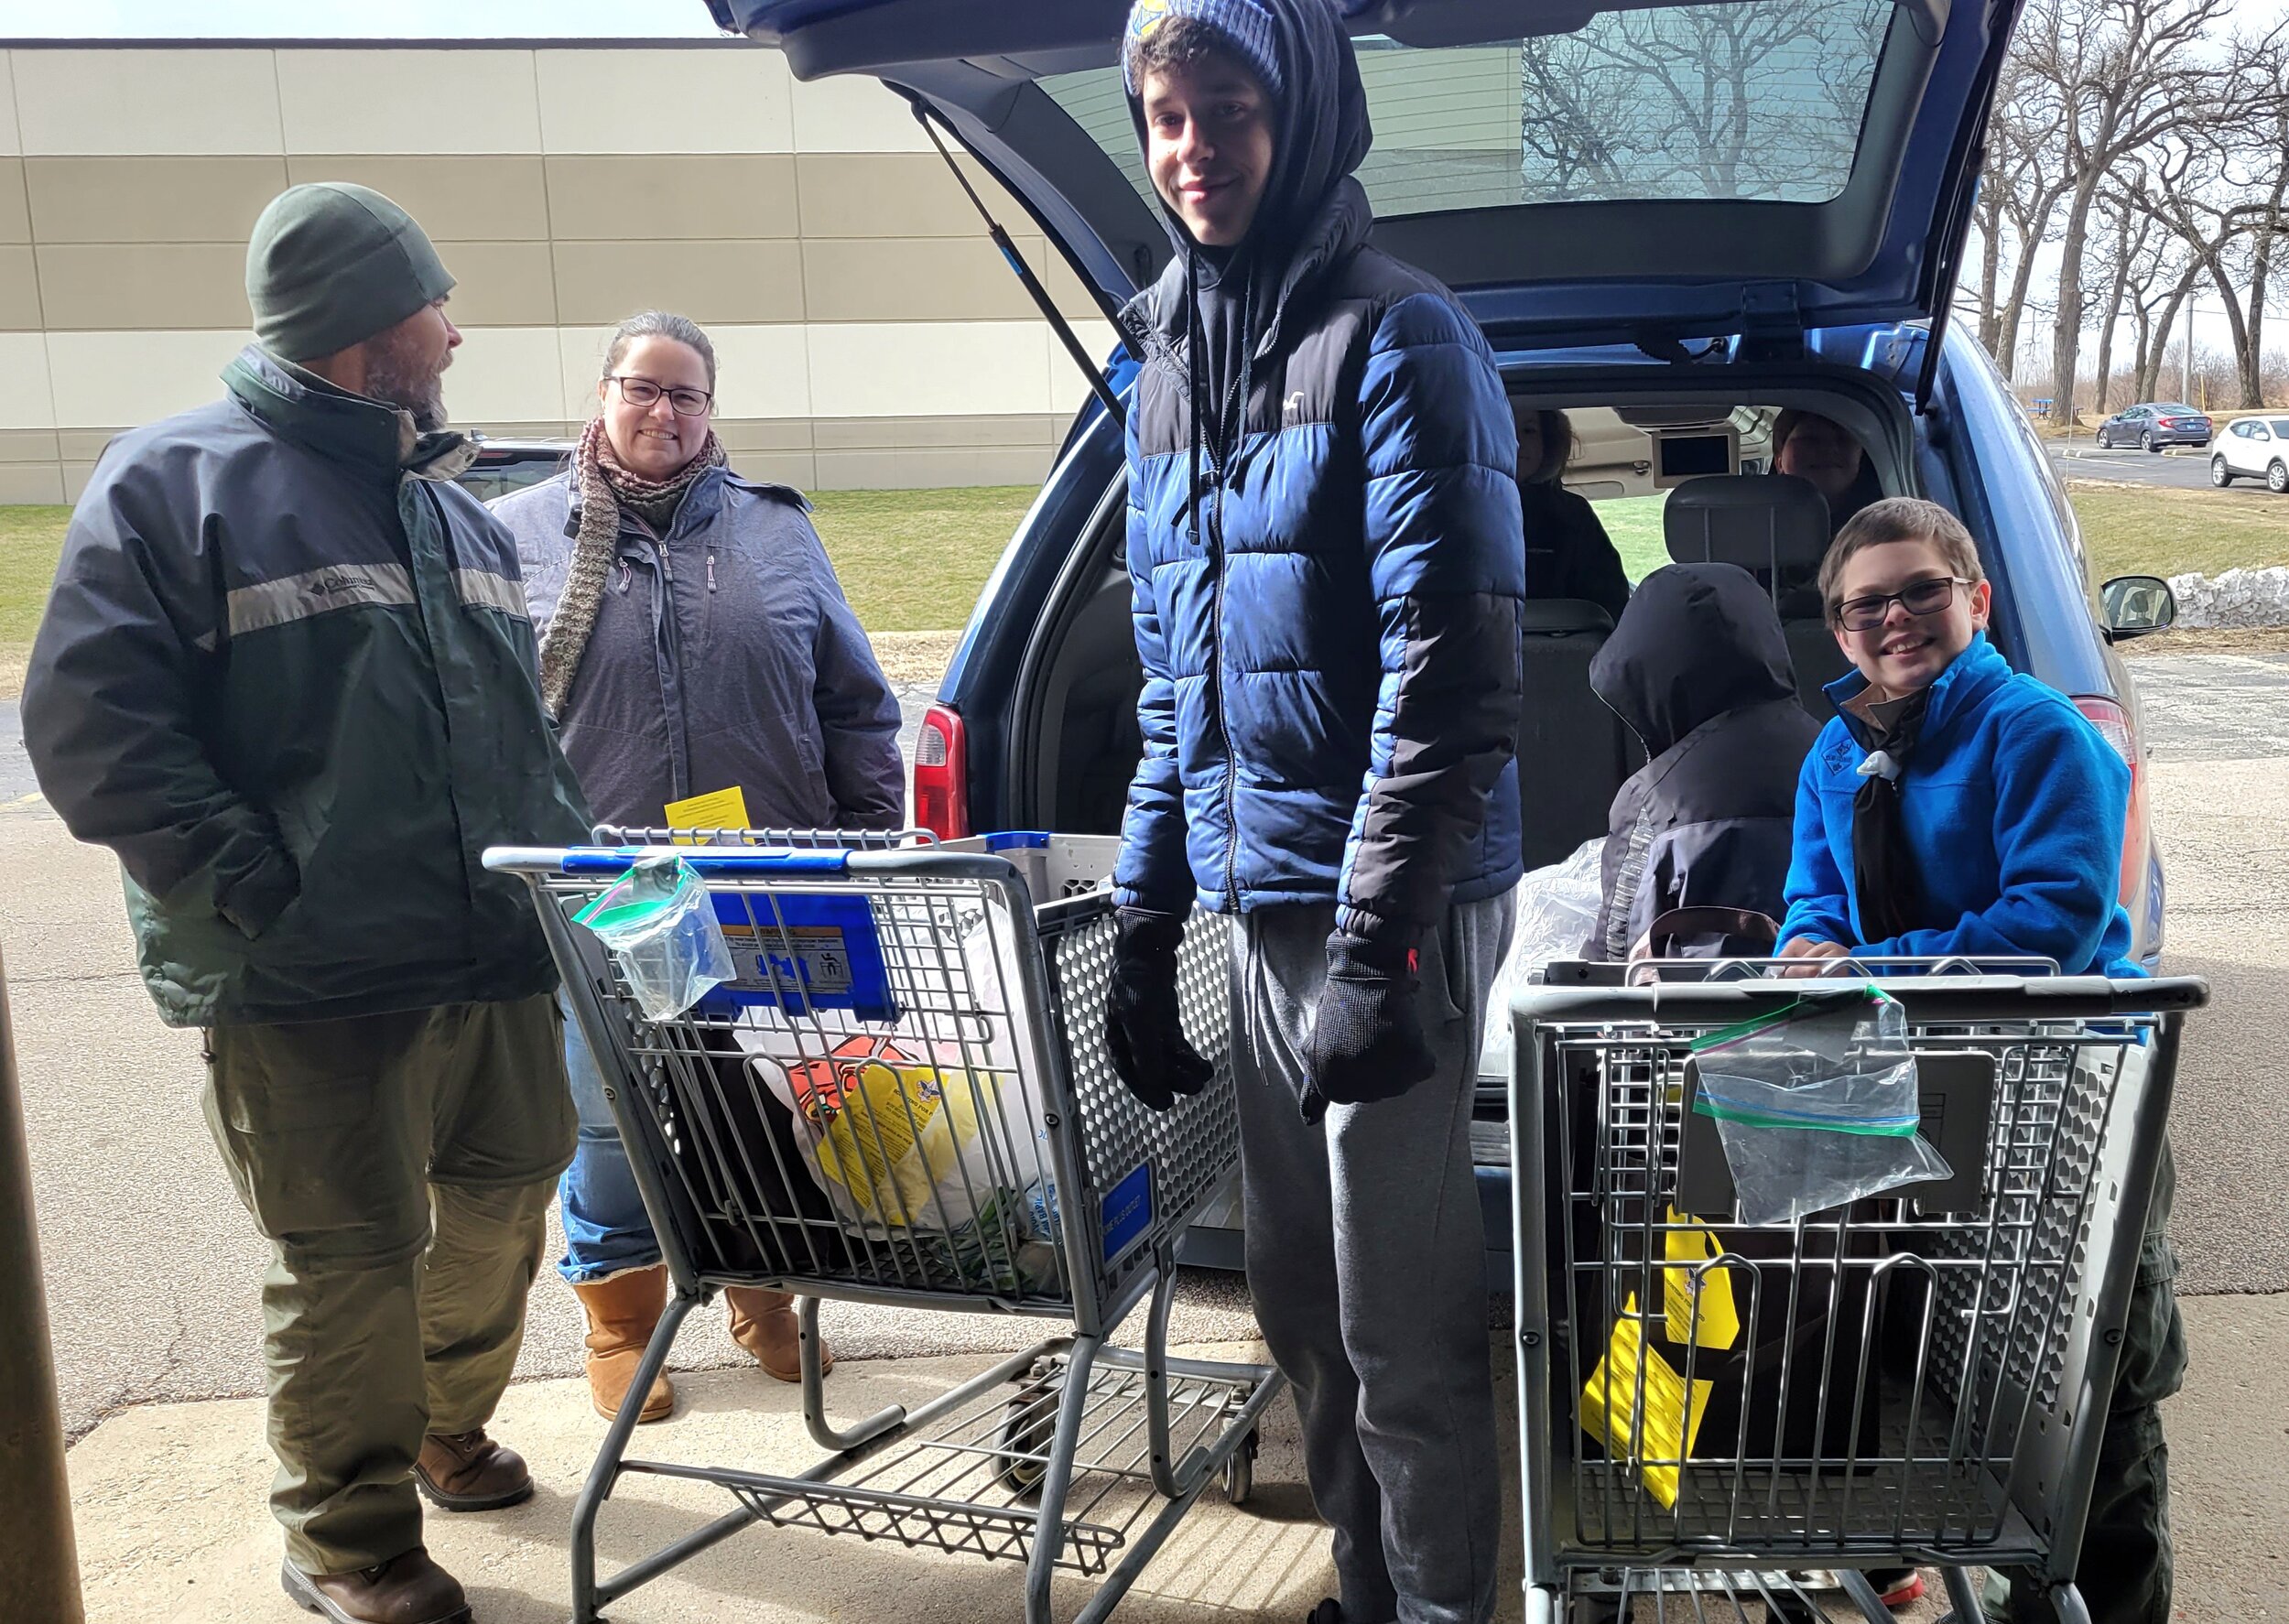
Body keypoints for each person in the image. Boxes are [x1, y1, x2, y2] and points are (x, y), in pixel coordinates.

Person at [20, 183, 591, 1624]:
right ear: (359, 327)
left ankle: (444, 1428)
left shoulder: (443, 501)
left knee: (512, 1192)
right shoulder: (173, 481)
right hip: (310, 972)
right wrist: (258, 891)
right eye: (433, 308)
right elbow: (92, 728)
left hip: (491, 948)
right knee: (347, 1257)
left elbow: (513, 730)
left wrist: (578, 877)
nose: (455, 334)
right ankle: (349, 1536)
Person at [1101, 5, 1525, 1622]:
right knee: (1292, 1297)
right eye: (1167, 116)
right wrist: (1148, 914)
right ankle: (1366, 1583)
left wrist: (1375, 947)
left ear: (1309, 113)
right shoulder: (1168, 366)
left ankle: (1439, 1605)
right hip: (1249, 905)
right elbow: (1172, 693)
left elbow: (1456, 673)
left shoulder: (1401, 336)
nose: (1194, 150)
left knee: (1397, 1314)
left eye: (1229, 109)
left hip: (1380, 912)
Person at [492, 310, 905, 1425]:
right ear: (602, 394)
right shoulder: (516, 533)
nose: (662, 412)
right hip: (605, 893)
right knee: (610, 1114)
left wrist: (866, 841)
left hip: (765, 873)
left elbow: (856, 703)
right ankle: (620, 1323)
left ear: (711, 410)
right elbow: (479, 722)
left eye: (685, 395)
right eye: (642, 388)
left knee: (763, 1096)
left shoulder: (775, 532)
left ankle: (767, 1293)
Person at [1776, 496, 2177, 1623]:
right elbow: (1811, 893)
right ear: (1839, 630)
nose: (1894, 618)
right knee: (1955, 1367)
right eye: (1865, 605)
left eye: (1920, 592)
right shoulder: (1836, 746)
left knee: (2086, 1399)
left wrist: (1865, 968)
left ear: (1976, 599)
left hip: (2064, 1094)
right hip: (1927, 1090)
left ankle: (2104, 1599)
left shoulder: (2039, 730)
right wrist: (1807, 943)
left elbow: (2048, 922)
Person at [1585, 563, 1819, 960]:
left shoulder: (1653, 797)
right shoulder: (1837, 753)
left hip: (1701, 1013)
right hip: (1837, 994)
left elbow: (1616, 954)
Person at [1518, 406, 1630, 623]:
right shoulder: (1456, 509)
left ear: (1549, 441)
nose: (1516, 441)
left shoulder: (1571, 515)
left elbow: (1609, 603)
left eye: (1529, 431)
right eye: (1502, 427)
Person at [1769, 407, 1882, 537]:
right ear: (1779, 461)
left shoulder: (1889, 524)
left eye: (1843, 438)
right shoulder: (1755, 529)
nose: (1829, 449)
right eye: (1810, 439)